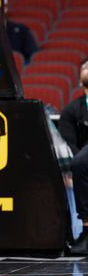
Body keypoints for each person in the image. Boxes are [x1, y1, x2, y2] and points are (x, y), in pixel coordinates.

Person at [60, 59, 88, 254]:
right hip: (83, 162)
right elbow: (67, 142)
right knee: (80, 163)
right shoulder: (71, 110)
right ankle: (86, 229)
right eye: (85, 67)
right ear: (79, 79)